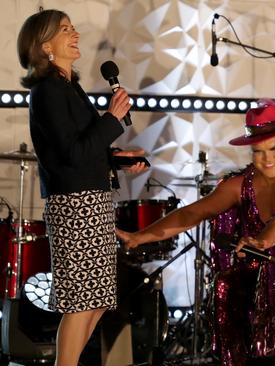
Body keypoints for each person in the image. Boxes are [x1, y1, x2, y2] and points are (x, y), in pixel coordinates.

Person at [117, 99, 275, 365]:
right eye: (258, 151)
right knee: (225, 285)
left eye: (274, 148)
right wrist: (140, 236)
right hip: (256, 280)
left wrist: (261, 241)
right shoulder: (242, 184)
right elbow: (192, 213)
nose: (267, 159)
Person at [17, 8, 146, 366]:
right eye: (64, 30)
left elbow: (85, 148)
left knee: (98, 301)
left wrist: (118, 157)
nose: (74, 34)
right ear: (45, 47)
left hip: (93, 201)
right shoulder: (46, 92)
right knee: (81, 303)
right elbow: (71, 154)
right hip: (75, 206)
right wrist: (112, 119)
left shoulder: (68, 87)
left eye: (73, 28)